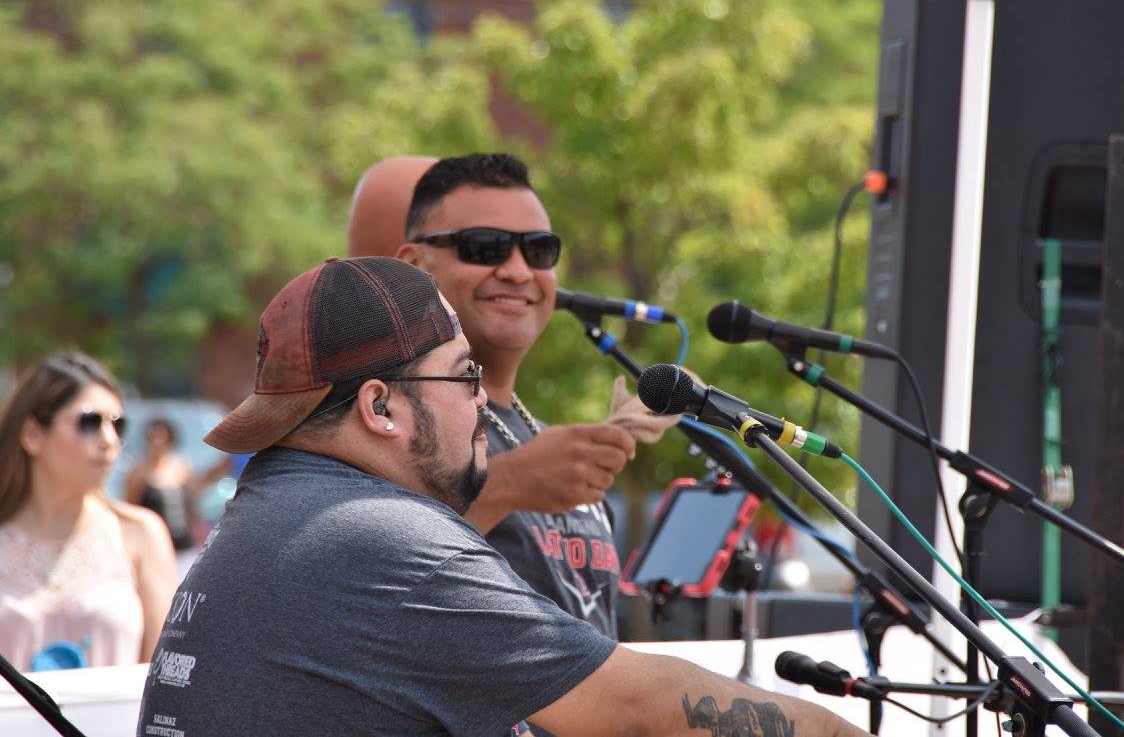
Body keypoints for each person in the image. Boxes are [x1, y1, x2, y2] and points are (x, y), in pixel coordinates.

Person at [135, 256, 867, 736]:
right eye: (465, 378)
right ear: (380, 408)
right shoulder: (376, 538)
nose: (485, 406)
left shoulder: (281, 504)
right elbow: (639, 710)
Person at [349, 153, 677, 638]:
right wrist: (507, 485)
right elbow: (365, 587)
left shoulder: (537, 436)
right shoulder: (381, 420)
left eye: (540, 251)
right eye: (486, 247)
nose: (520, 271)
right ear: (415, 265)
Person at [0, 352, 177, 670]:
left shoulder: (141, 534)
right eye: (89, 422)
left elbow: (165, 681)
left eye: (118, 425)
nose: (110, 441)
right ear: (32, 435)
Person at [125, 418, 232, 555]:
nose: (157, 443)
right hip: (155, 548)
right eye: (153, 438)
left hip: (186, 545)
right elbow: (131, 508)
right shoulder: (138, 473)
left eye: (162, 438)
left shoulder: (182, 467)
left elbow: (194, 498)